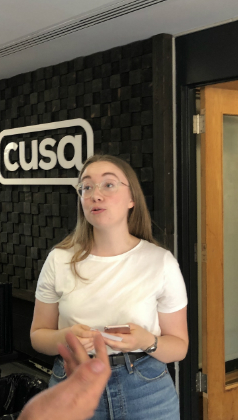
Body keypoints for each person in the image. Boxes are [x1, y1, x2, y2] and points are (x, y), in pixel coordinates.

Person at [30, 154, 188, 420]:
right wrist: (65, 337)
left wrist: (146, 341)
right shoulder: (60, 259)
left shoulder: (160, 261)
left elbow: (179, 347)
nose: (95, 195)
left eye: (109, 184)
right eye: (87, 187)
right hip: (75, 383)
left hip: (146, 391)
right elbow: (37, 336)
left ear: (131, 199)